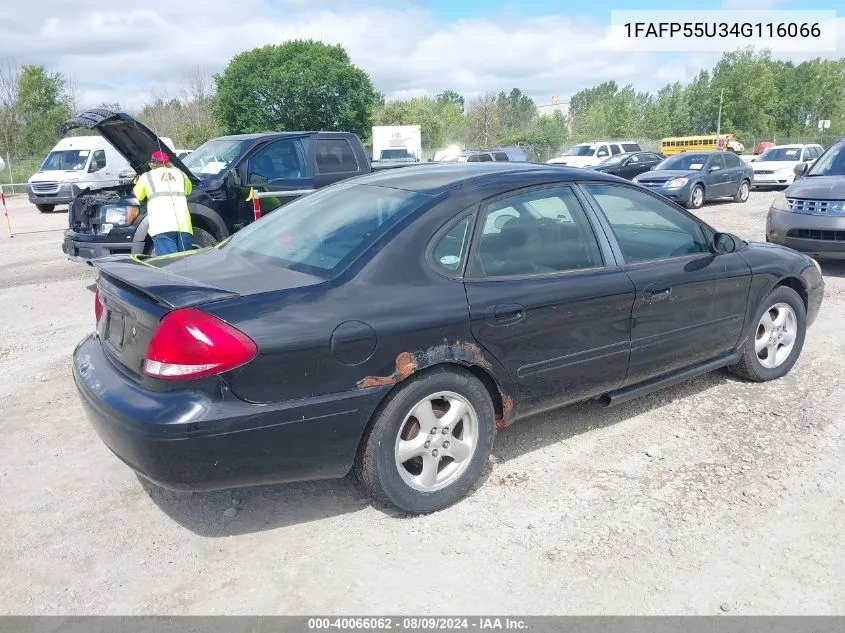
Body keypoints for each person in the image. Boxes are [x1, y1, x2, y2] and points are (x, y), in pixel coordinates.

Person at [133, 150, 193, 255]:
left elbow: (138, 195)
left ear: (153, 164)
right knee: (185, 263)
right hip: (184, 226)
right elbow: (188, 191)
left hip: (162, 226)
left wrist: (136, 181)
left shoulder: (147, 177)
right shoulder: (181, 174)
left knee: (169, 265)